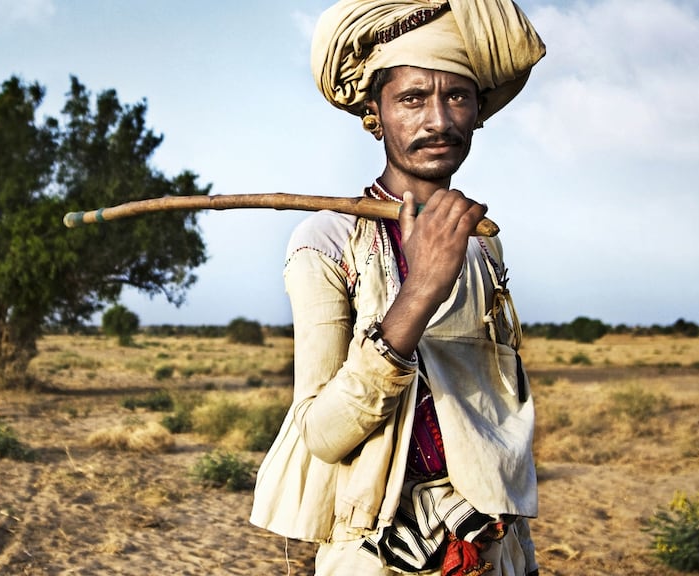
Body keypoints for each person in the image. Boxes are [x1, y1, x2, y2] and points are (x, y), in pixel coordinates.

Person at [250, 1, 546, 575]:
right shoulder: (327, 241)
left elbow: (497, 414)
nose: (438, 120)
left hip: (490, 545)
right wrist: (420, 291)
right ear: (375, 113)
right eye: (412, 98)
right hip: (376, 552)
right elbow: (323, 434)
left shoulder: (482, 243)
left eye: (457, 96)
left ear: (478, 111)